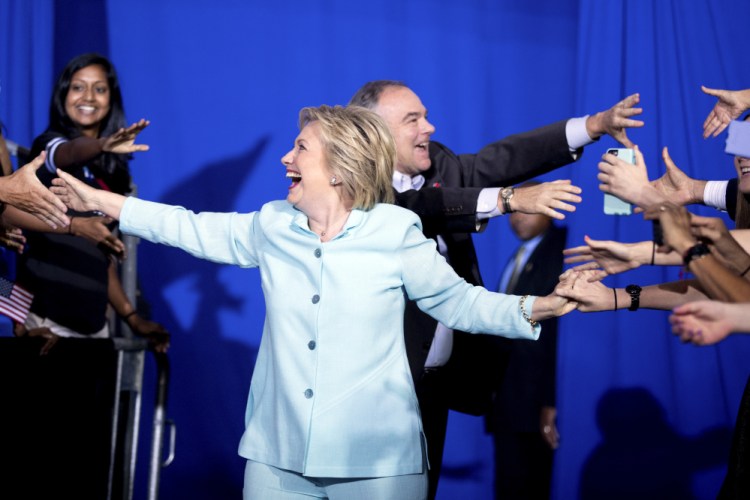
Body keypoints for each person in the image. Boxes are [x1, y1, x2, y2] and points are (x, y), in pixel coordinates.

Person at [51, 104, 578, 500]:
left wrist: (540, 306)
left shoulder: (395, 229)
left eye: (300, 148)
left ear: (340, 168)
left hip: (379, 466)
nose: (286, 157)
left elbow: (459, 303)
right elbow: (186, 226)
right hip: (276, 461)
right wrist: (98, 201)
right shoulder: (274, 225)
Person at [349, 79, 643, 498]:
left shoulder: (437, 164)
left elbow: (503, 158)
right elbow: (417, 210)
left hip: (434, 386)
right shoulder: (355, 187)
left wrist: (592, 125)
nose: (429, 128)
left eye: (427, 116)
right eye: (413, 119)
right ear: (373, 132)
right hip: (379, 388)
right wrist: (506, 200)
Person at [20, 52, 166, 350]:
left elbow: (102, 254)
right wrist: (101, 145)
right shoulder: (47, 146)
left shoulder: (115, 174)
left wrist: (133, 318)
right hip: (45, 324)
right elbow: (70, 151)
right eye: (78, 87)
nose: (88, 96)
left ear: (111, 99)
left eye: (99, 89)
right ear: (63, 95)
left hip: (94, 329)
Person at [485, 184, 567, 500]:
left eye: (525, 207)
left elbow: (554, 335)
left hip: (535, 405)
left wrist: (550, 401)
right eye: (512, 209)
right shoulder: (519, 254)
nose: (516, 217)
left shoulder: (561, 252)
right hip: (508, 402)